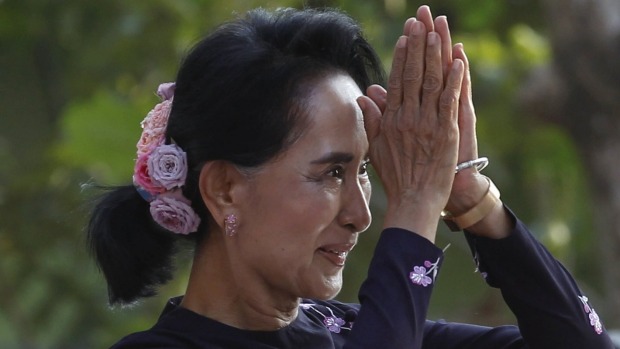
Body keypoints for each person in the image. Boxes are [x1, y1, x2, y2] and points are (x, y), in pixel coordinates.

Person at [88, 4, 614, 348]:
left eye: (363, 170)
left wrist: (469, 196)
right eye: (331, 172)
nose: (362, 215)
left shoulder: (346, 330)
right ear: (225, 189)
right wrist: (413, 207)